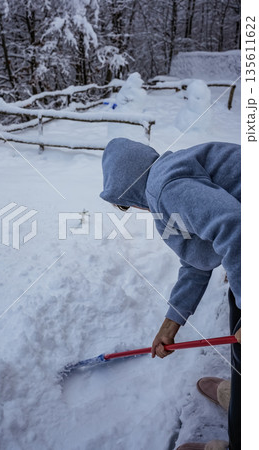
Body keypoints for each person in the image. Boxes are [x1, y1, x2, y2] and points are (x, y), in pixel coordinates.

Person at [99, 138, 241, 450]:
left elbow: (236, 227)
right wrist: (171, 323)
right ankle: (242, 399)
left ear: (127, 191)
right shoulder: (171, 179)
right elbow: (197, 260)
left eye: (121, 204)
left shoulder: (166, 189)